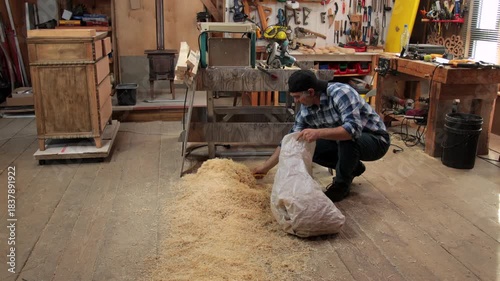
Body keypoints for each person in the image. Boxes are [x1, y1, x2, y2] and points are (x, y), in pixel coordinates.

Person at [252, 69, 390, 202]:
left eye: (298, 97)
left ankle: (341, 186)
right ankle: (353, 167)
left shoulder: (341, 93)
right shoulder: (307, 109)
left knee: (346, 139)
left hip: (376, 140)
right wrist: (265, 168)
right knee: (304, 144)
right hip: (347, 142)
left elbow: (352, 130)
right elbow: (291, 140)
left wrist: (318, 133)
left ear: (311, 92)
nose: (296, 101)